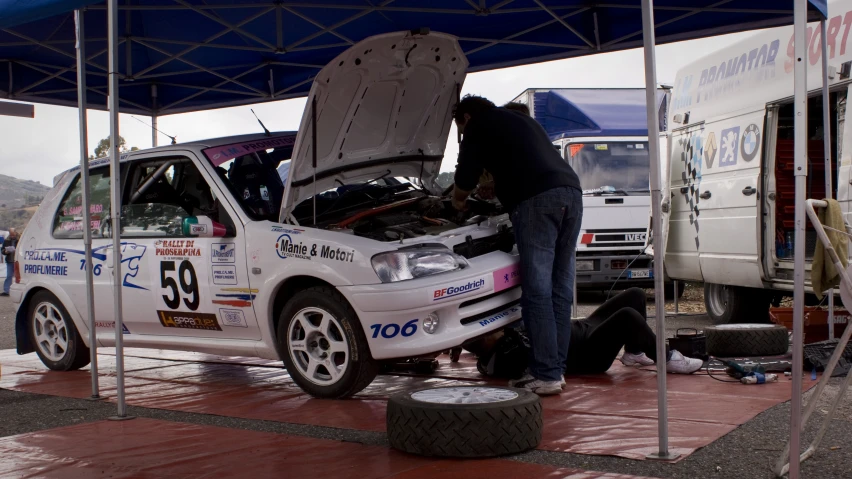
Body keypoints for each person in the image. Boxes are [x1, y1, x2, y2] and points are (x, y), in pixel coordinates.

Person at [451, 95, 583, 395]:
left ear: (466, 118)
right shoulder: (520, 120)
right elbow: (521, 160)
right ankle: (555, 369)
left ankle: (545, 374)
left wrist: (457, 200)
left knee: (536, 290)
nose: (462, 133)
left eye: (460, 128)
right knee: (560, 289)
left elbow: (466, 174)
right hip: (570, 193)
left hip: (536, 202)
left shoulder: (478, 124)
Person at [472, 288, 704, 378]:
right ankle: (665, 358)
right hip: (588, 352)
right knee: (627, 316)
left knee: (635, 295)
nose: (495, 329)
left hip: (583, 326)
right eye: (488, 332)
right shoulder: (501, 359)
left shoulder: (503, 338)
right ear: (482, 343)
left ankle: (634, 353)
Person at [2, 228, 18, 296]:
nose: (12, 237)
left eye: (13, 235)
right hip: (9, 260)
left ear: (15, 233)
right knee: (9, 276)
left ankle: (18, 291)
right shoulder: (6, 240)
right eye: (11, 235)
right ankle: (6, 290)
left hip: (17, 260)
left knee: (18, 276)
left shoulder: (20, 239)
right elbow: (2, 250)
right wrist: (5, 251)